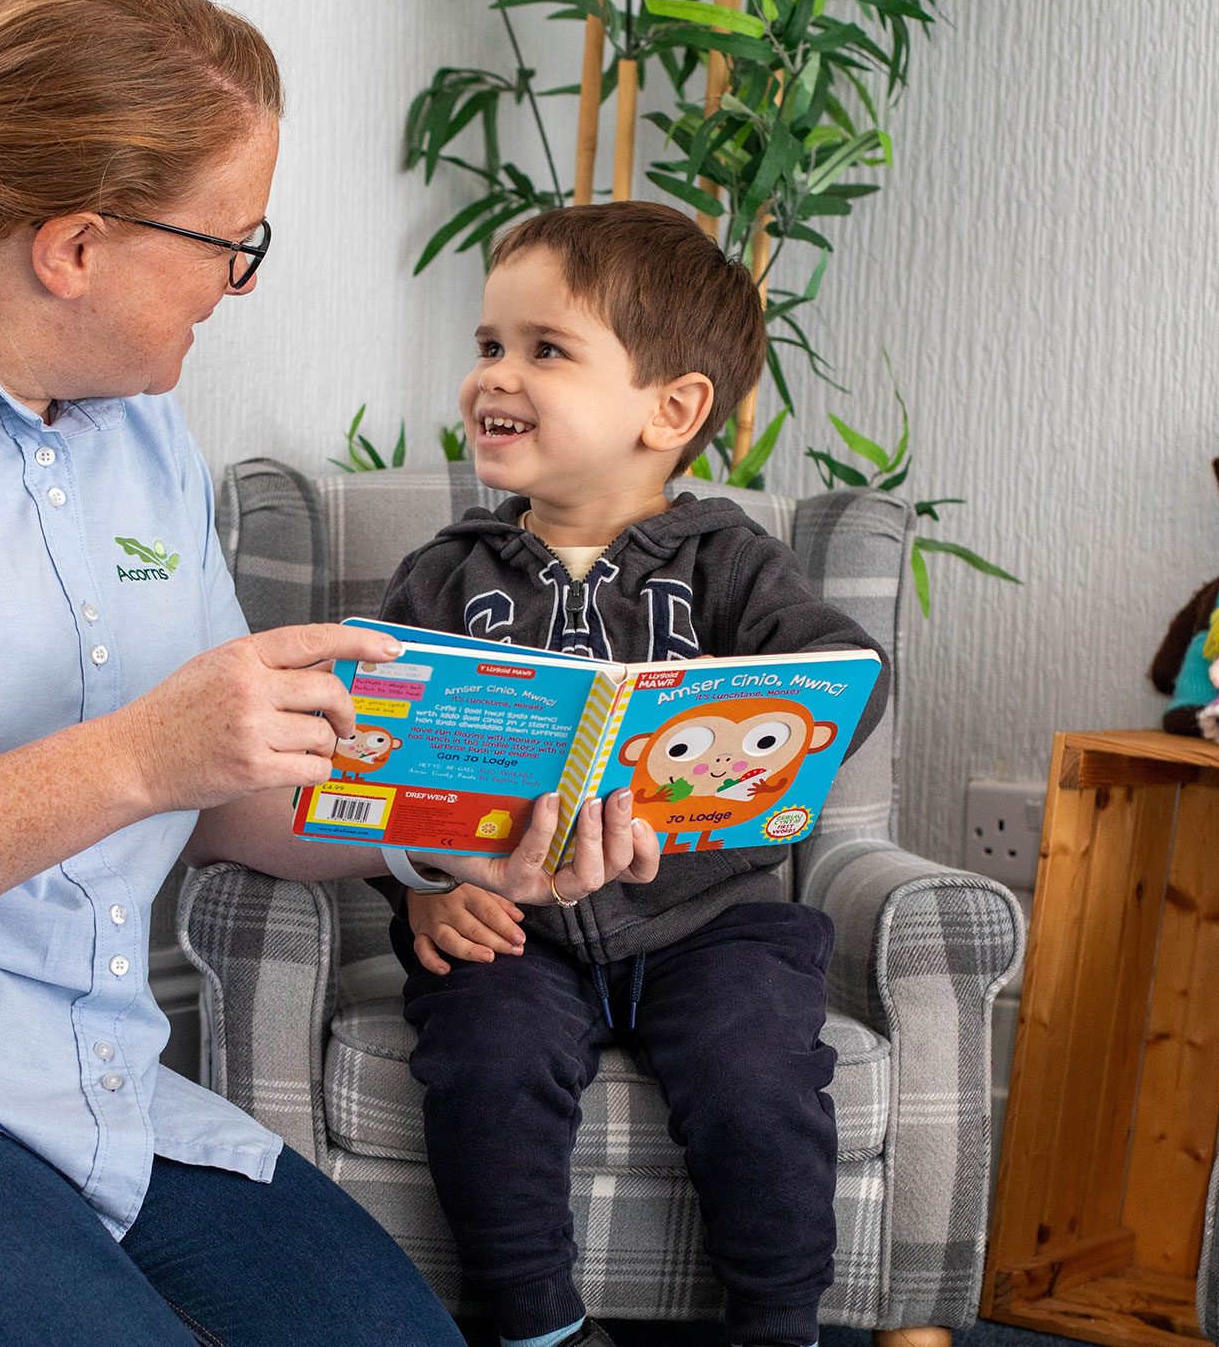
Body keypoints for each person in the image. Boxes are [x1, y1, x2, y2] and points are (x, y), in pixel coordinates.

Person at [0, 0, 657, 1344]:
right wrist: (134, 754)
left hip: (87, 1085)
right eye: (232, 241)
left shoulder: (134, 434)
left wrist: (465, 830)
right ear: (75, 245)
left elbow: (227, 786)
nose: (242, 279)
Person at [371, 201, 893, 1347]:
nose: (494, 376)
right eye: (488, 346)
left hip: (716, 917)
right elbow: (370, 762)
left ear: (672, 410)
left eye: (544, 349)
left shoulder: (733, 562)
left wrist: (750, 732)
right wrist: (420, 886)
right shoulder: (443, 577)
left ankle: (776, 1324)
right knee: (483, 1068)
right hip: (513, 919)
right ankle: (538, 1325)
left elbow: (847, 680)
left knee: (759, 1082)